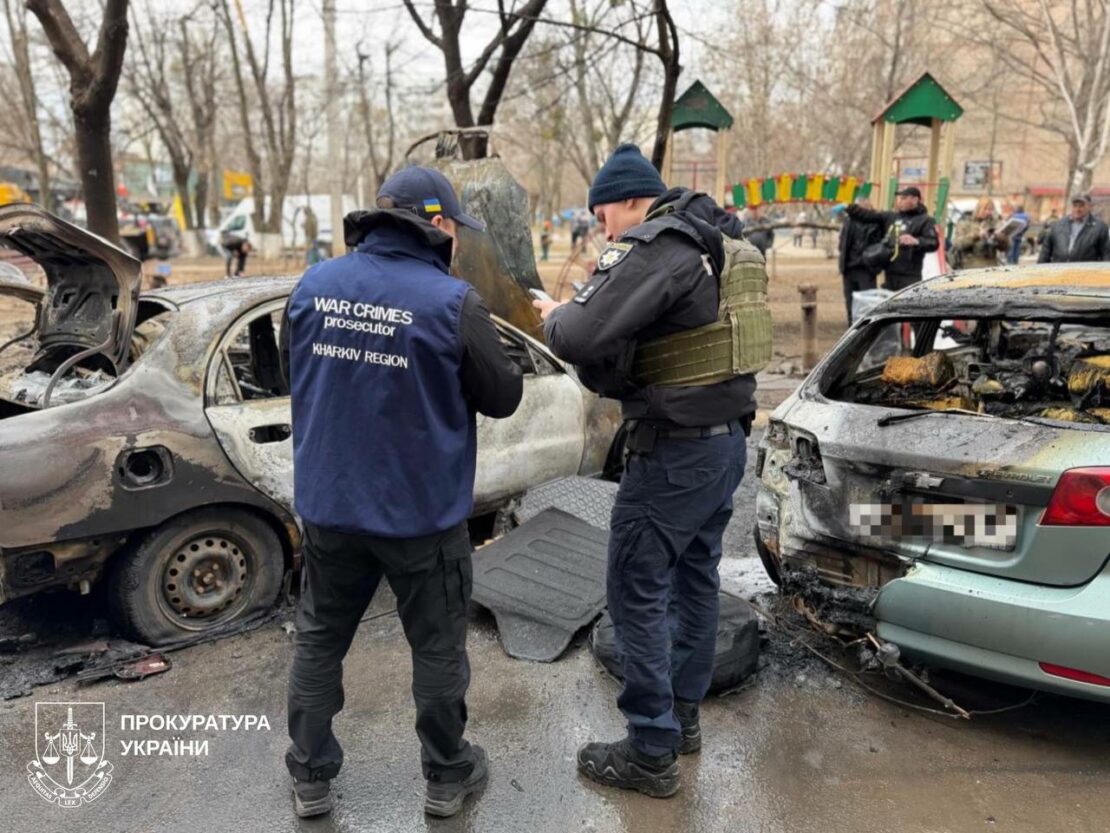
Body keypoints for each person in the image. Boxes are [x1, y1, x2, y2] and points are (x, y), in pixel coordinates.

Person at [282, 166, 523, 819]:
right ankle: (447, 775)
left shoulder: (313, 287)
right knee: (438, 646)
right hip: (421, 515)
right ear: (438, 223)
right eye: (455, 227)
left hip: (330, 506)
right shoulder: (453, 302)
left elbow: (295, 372)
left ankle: (309, 775)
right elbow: (504, 396)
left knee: (319, 637)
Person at [533, 143, 757, 799]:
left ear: (628, 199)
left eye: (603, 212)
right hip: (723, 447)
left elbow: (577, 336)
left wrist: (555, 315)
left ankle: (650, 748)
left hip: (675, 454)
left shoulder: (659, 244)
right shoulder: (714, 242)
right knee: (694, 582)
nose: (602, 227)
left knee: (635, 586)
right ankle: (681, 720)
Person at [846, 185, 939, 290]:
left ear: (915, 199)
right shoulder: (891, 217)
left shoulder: (926, 220)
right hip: (889, 274)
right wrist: (850, 208)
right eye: (898, 198)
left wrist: (916, 241)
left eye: (903, 198)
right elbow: (868, 215)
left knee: (906, 305)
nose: (899, 201)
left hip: (910, 276)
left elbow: (933, 243)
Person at [837, 197, 883, 324]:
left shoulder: (876, 222)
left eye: (862, 207)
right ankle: (851, 329)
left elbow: (880, 245)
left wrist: (873, 264)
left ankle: (866, 329)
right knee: (850, 302)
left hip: (866, 268)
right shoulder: (849, 220)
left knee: (867, 302)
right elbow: (843, 242)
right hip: (849, 268)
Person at [1037, 194, 1110, 263]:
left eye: (1081, 206)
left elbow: (1106, 254)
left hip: (1086, 274)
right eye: (1075, 206)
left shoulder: (1099, 228)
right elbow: (1045, 252)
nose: (1077, 209)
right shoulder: (1058, 225)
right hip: (1059, 273)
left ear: (1089, 206)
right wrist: (1039, 272)